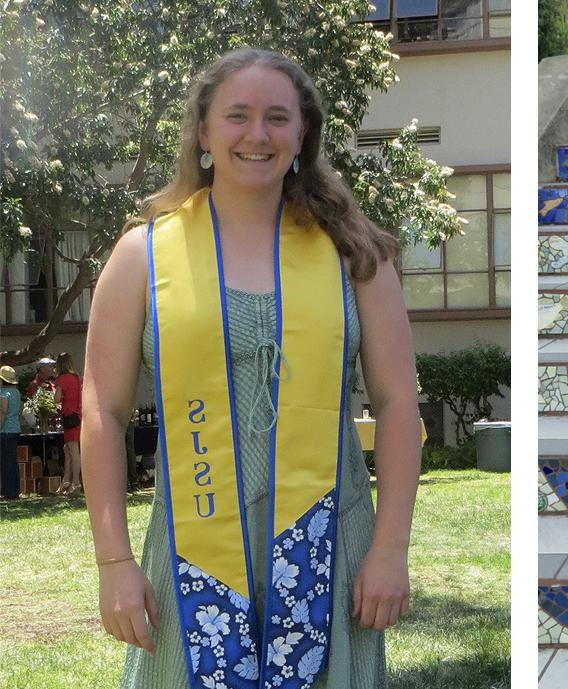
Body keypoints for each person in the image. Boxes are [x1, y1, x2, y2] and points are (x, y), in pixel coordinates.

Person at [81, 48, 422, 689]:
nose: (257, 135)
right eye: (237, 115)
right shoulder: (142, 257)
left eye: (277, 117)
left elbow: (399, 403)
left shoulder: (353, 255)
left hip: (329, 544)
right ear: (204, 132)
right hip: (193, 544)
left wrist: (390, 548)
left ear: (302, 135)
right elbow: (103, 410)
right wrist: (113, 562)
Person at [54, 352, 83, 496]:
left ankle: (76, 482)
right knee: (68, 450)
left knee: (73, 450)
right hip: (78, 415)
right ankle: (66, 482)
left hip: (69, 417)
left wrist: (61, 395)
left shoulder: (61, 379)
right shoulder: (76, 378)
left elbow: (57, 399)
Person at [0, 365, 21, 500]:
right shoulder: (17, 392)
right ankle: (14, 490)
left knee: (5, 461)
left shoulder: (3, 393)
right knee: (12, 461)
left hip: (5, 430)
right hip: (15, 429)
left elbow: (3, 411)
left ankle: (8, 491)